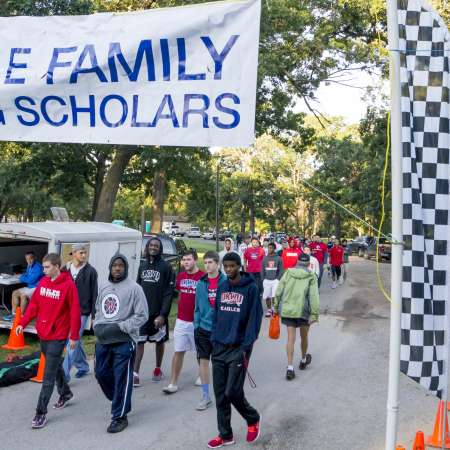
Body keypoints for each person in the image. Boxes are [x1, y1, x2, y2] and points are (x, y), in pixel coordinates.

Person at [16, 253, 81, 429]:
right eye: (43, 267)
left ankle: (40, 413)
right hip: (43, 333)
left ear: (57, 267)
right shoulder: (43, 283)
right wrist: (22, 323)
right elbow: (34, 306)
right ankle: (66, 393)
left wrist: (74, 336)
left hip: (58, 336)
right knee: (55, 367)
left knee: (47, 376)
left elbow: (75, 312)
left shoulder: (68, 286)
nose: (43, 270)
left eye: (47, 267)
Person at [207, 252, 263, 448]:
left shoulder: (251, 289)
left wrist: (246, 347)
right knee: (220, 394)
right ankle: (225, 435)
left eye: (232, 266)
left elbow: (254, 320)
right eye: (226, 266)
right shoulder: (222, 286)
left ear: (240, 266)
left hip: (238, 348)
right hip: (220, 347)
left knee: (232, 391)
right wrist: (214, 338)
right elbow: (216, 315)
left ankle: (253, 417)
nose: (229, 269)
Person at [93, 254, 148, 433]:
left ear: (125, 268)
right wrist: (97, 325)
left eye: (120, 265)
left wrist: (121, 327)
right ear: (110, 267)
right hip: (103, 339)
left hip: (124, 340)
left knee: (122, 379)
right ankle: (118, 397)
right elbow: (99, 309)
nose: (117, 268)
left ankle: (119, 416)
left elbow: (142, 315)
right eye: (114, 265)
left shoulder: (135, 288)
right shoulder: (104, 286)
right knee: (101, 373)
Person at [134, 237, 175, 386]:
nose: (153, 247)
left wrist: (163, 314)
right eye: (151, 245)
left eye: (156, 246)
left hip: (158, 314)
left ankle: (157, 368)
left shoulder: (166, 267)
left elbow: (168, 293)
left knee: (159, 341)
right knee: (140, 342)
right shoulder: (142, 266)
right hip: (143, 313)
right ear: (147, 247)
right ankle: (135, 374)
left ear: (160, 249)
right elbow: (137, 289)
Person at [163, 249, 205, 394]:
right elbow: (176, 294)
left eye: (188, 260)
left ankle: (202, 374)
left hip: (198, 322)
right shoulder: (180, 276)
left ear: (195, 260)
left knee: (200, 352)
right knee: (178, 351)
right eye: (184, 260)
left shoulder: (203, 277)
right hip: (181, 320)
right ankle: (173, 383)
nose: (186, 262)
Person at [274, 253, 319, 381]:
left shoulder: (288, 273)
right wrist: (314, 313)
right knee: (304, 337)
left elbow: (279, 290)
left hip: (288, 309)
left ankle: (289, 367)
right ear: (308, 263)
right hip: (303, 311)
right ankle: (304, 360)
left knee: (290, 339)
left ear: (297, 262)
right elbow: (314, 296)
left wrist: (276, 307)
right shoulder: (311, 276)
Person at [194, 251, 227, 411]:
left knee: (220, 364)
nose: (207, 265)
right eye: (205, 262)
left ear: (218, 264)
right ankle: (206, 396)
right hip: (203, 329)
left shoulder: (226, 282)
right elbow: (197, 308)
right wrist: (196, 325)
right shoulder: (201, 284)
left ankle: (222, 394)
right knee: (203, 361)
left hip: (221, 330)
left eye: (211, 262)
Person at [63, 244, 98, 382]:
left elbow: (95, 294)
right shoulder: (65, 270)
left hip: (82, 311)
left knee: (73, 341)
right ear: (74, 253)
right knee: (74, 341)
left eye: (85, 253)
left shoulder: (91, 271)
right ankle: (83, 366)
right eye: (81, 253)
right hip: (66, 311)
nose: (84, 255)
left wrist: (94, 315)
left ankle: (64, 374)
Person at [6, 251, 44, 321]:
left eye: (31, 258)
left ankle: (21, 316)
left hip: (36, 288)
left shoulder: (38, 267)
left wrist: (20, 277)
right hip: (29, 287)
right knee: (15, 293)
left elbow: (31, 280)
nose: (29, 261)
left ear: (35, 258)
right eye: (27, 259)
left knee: (23, 296)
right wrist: (20, 275)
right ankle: (14, 314)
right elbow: (26, 274)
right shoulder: (29, 265)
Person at [261, 242, 283, 317]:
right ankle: (269, 310)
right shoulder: (265, 258)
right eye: (268, 248)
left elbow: (281, 270)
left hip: (275, 280)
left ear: (274, 249)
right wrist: (263, 279)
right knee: (267, 296)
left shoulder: (278, 258)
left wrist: (278, 279)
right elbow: (262, 269)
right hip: (266, 280)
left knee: (274, 296)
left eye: (271, 248)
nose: (269, 249)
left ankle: (274, 309)